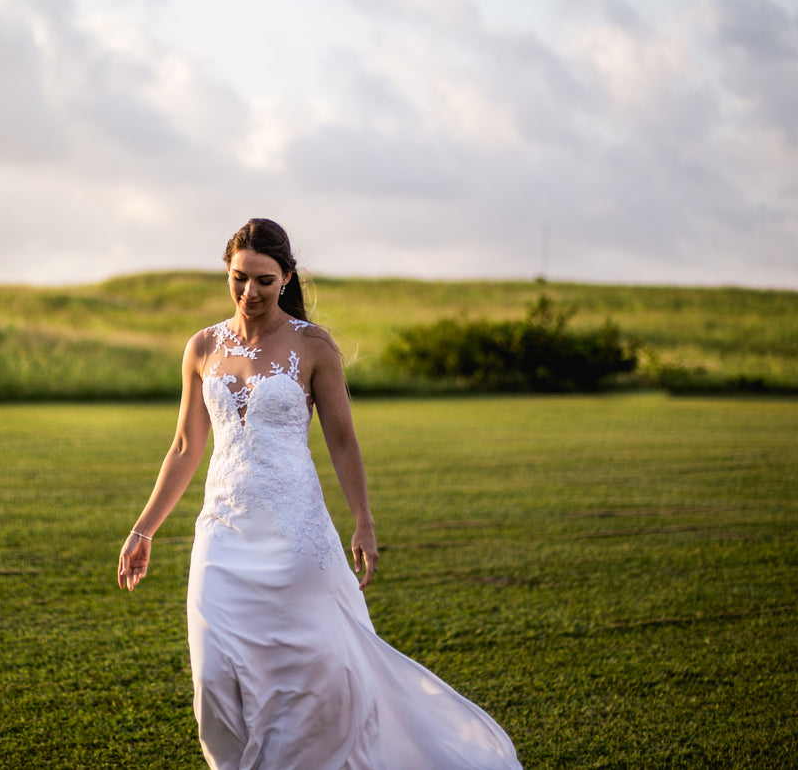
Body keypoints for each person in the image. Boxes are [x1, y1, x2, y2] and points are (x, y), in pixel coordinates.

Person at [118, 218, 522, 770]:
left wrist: (363, 519)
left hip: (294, 535)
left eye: (263, 280)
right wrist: (144, 528)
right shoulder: (202, 347)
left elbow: (341, 438)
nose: (249, 292)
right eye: (239, 278)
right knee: (213, 679)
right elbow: (187, 444)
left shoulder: (313, 346)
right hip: (222, 534)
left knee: (309, 679)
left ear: (285, 277)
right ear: (226, 271)